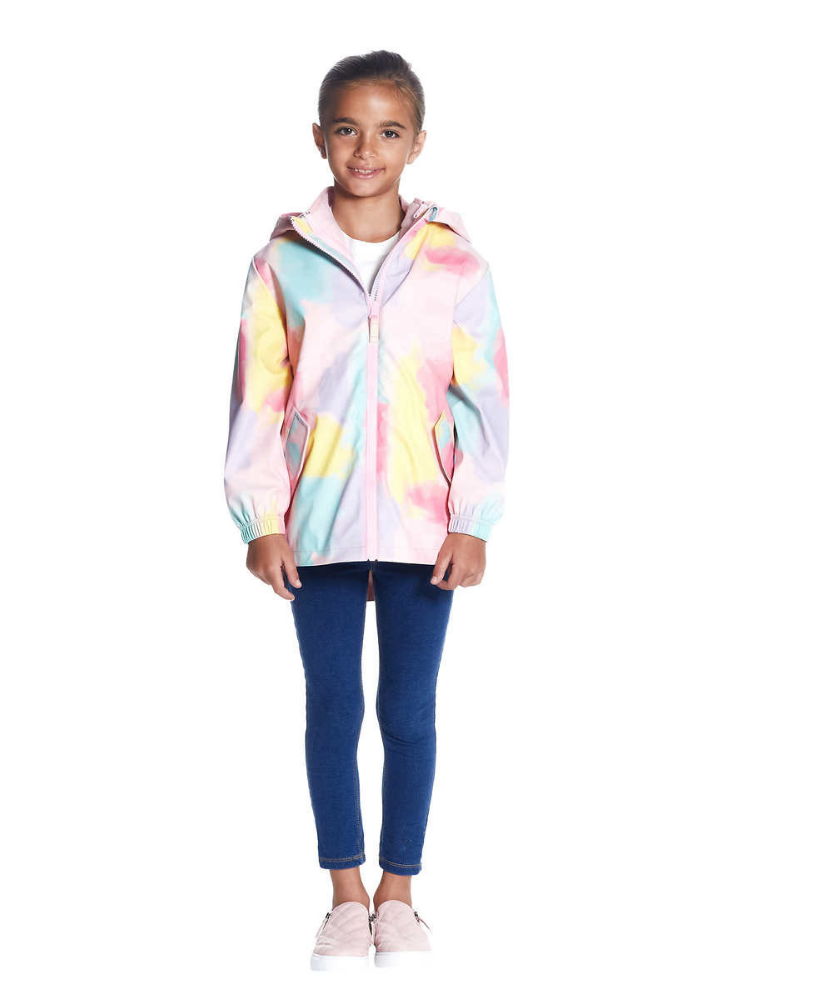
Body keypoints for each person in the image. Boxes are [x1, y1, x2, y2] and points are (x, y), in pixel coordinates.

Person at [222, 49, 509, 970]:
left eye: (388, 131)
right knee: (333, 706)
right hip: (319, 525)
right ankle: (346, 896)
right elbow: (258, 397)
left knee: (409, 710)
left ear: (417, 142)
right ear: (319, 136)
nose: (365, 149)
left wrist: (473, 518)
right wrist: (263, 519)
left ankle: (400, 896)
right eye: (347, 129)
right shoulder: (282, 262)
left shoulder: (454, 262)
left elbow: (483, 397)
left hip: (426, 527)